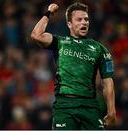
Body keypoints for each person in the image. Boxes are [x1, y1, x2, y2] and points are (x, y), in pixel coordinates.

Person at [31, 2, 116, 130]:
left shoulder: (100, 49)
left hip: (90, 106)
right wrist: (48, 13)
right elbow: (36, 35)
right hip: (64, 106)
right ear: (69, 24)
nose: (84, 22)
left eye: (86, 19)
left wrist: (111, 111)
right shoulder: (60, 42)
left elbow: (108, 82)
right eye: (79, 20)